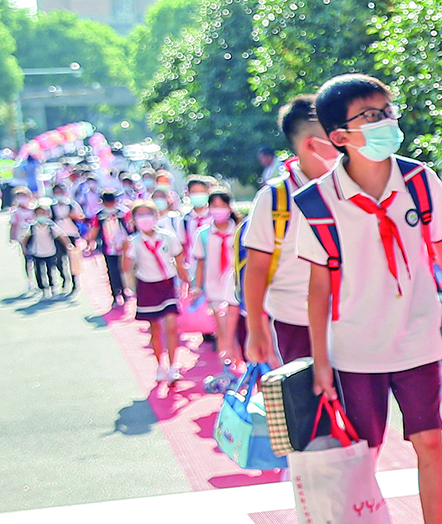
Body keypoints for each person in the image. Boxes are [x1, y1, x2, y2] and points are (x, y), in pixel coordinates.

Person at [296, 73, 442, 524]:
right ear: (339, 137)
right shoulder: (318, 202)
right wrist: (320, 362)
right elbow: (318, 286)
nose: (386, 122)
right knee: (364, 453)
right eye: (371, 116)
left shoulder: (420, 182)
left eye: (387, 110)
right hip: (354, 348)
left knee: (430, 442)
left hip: (418, 340)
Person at [245, 95, 337, 367]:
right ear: (311, 144)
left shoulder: (350, 186)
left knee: (359, 408)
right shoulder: (275, 198)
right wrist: (256, 329)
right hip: (296, 323)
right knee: (311, 407)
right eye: (336, 133)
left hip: (351, 321)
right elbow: (257, 268)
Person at [187, 189, 245, 391]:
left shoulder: (240, 230)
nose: (218, 210)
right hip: (214, 290)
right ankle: (228, 370)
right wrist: (196, 286)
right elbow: (200, 263)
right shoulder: (203, 234)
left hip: (237, 290)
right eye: (214, 206)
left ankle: (240, 365)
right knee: (223, 331)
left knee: (238, 330)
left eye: (222, 205)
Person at [125, 200, 184, 381]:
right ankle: (160, 366)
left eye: (148, 214)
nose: (144, 219)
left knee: (172, 326)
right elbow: (126, 267)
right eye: (139, 216)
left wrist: (189, 283)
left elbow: (179, 261)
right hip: (147, 286)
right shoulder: (133, 242)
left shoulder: (168, 237)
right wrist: (125, 252)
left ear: (156, 216)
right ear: (134, 220)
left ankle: (174, 366)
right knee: (155, 329)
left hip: (167, 284)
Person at [90, 189, 133, 306]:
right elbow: (94, 229)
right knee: (112, 271)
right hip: (108, 247)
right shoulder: (100, 215)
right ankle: (115, 294)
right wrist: (91, 243)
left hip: (124, 245)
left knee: (125, 269)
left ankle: (126, 291)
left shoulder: (123, 212)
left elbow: (130, 226)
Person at [7, 189, 37, 291]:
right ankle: (30, 280)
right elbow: (13, 225)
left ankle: (40, 279)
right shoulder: (16, 212)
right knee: (28, 259)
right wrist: (12, 237)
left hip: (36, 238)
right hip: (23, 238)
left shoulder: (35, 210)